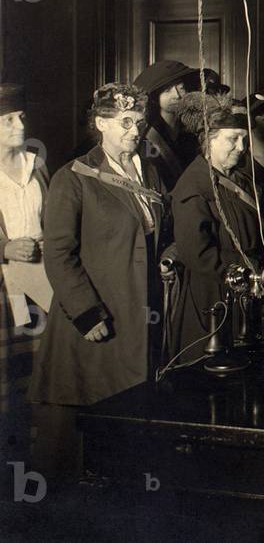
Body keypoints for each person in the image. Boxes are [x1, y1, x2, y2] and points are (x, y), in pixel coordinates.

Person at [30, 83, 171, 418]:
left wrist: (168, 257)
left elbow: (169, 230)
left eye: (139, 122)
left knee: (132, 419)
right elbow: (59, 254)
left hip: (144, 313)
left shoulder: (149, 172)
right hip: (99, 317)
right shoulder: (75, 177)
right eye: (125, 122)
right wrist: (86, 313)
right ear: (101, 123)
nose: (135, 130)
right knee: (87, 425)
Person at [170, 92, 264, 364]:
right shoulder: (193, 186)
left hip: (247, 291)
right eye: (232, 139)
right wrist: (246, 273)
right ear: (208, 141)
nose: (241, 147)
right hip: (212, 298)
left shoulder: (242, 180)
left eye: (244, 140)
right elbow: (196, 254)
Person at [0, 85, 48, 447]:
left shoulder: (38, 163)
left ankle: (41, 451)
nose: (20, 124)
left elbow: (58, 215)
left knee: (41, 371)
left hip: (41, 282)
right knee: (7, 382)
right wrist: (5, 247)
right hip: (4, 292)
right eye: (8, 120)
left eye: (20, 116)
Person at [133, 60, 198, 191]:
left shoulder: (191, 133)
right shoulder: (146, 139)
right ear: (155, 96)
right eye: (168, 90)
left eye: (181, 88)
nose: (177, 96)